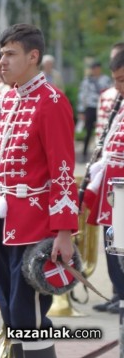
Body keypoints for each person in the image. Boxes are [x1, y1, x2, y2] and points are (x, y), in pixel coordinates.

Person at [0, 23, 78, 358]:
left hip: (35, 225)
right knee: (11, 311)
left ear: (33, 56)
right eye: (2, 54)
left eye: (11, 54)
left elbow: (63, 171)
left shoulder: (52, 101)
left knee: (32, 315)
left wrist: (64, 231)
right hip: (2, 221)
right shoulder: (8, 98)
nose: (2, 61)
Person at [84, 46, 124, 316]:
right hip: (114, 188)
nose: (117, 87)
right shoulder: (118, 106)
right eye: (116, 80)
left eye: (122, 80)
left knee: (119, 251)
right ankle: (119, 295)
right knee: (114, 247)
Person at [77, 61, 112, 160]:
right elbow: (82, 96)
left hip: (103, 107)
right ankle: (84, 153)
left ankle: (103, 153)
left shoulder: (106, 80)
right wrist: (81, 111)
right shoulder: (86, 81)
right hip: (90, 107)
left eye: (96, 68)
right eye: (93, 68)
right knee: (88, 131)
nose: (95, 70)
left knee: (104, 129)